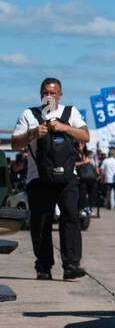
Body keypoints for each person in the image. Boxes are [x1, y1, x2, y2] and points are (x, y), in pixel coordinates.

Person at [11, 77, 90, 279]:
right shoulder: (29, 114)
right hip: (38, 178)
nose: (49, 96)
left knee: (71, 218)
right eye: (45, 92)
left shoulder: (70, 112)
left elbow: (85, 136)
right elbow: (15, 144)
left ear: (60, 95)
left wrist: (65, 128)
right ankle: (44, 267)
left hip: (67, 177)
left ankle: (71, 265)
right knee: (41, 223)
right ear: (40, 94)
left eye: (53, 93)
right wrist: (32, 134)